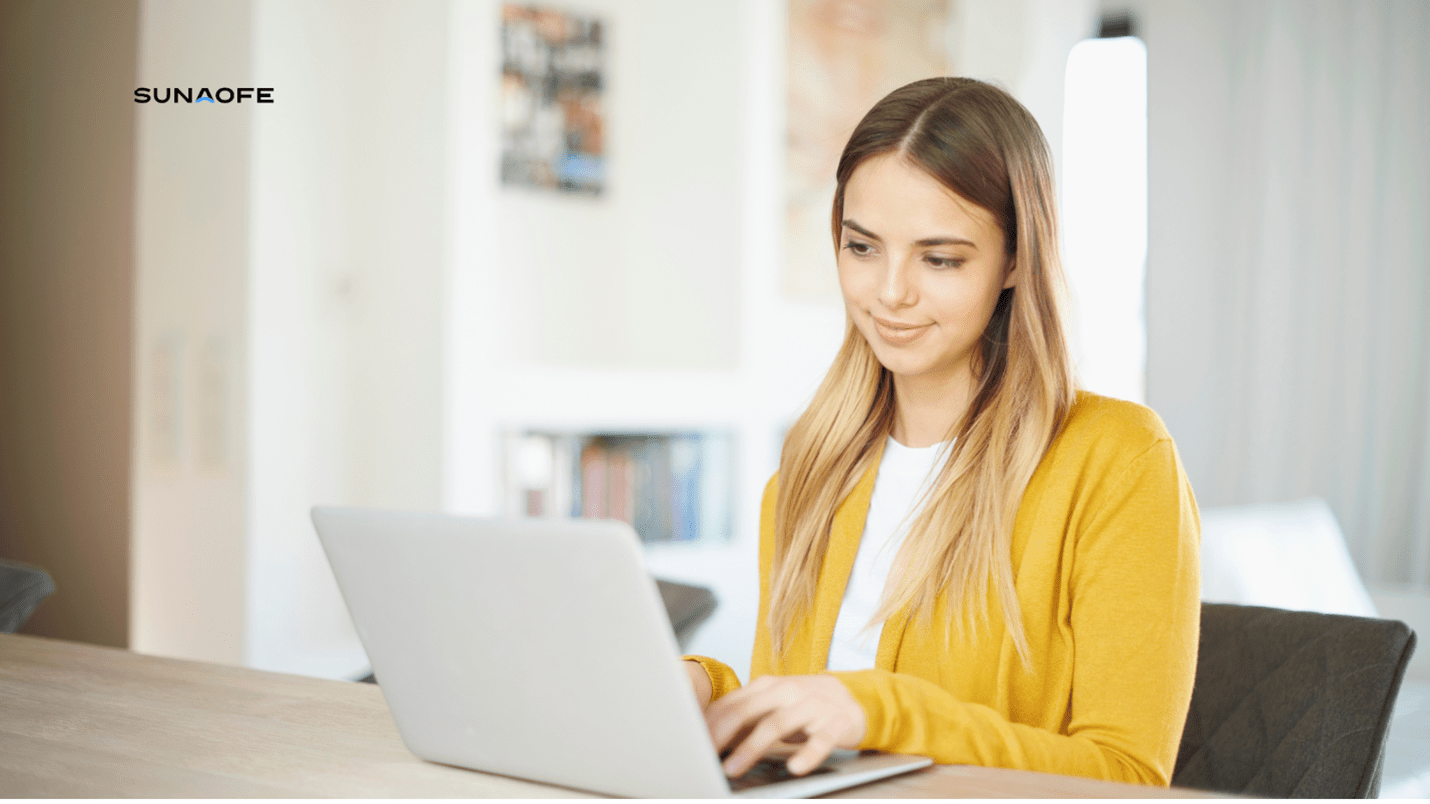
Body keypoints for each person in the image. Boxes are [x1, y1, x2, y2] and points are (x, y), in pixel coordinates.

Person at [682, 76, 1200, 786]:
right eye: (862, 248)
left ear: (1015, 260)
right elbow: (801, 725)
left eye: (940, 259)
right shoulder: (812, 465)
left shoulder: (1119, 460)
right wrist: (707, 688)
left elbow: (1127, 774)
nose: (890, 292)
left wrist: (879, 711)